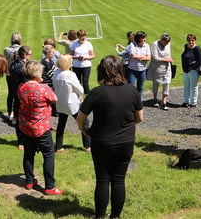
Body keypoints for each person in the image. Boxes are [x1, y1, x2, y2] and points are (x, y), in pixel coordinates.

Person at [77, 55, 143, 219]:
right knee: (119, 179)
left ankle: (99, 216)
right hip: (126, 141)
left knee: (103, 179)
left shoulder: (97, 92)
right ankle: (115, 215)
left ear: (101, 71)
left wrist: (85, 130)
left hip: (102, 142)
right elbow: (139, 118)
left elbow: (80, 118)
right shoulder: (132, 90)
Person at [17, 60, 63, 195]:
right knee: (48, 154)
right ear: (37, 74)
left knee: (28, 153)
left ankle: (30, 181)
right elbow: (55, 98)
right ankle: (50, 186)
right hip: (41, 128)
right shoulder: (43, 88)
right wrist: (42, 83)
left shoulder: (21, 87)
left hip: (25, 127)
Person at [53, 54, 91, 152]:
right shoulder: (70, 75)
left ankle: (58, 146)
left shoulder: (55, 73)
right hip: (72, 104)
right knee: (84, 122)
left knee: (61, 125)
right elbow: (81, 89)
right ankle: (88, 145)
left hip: (60, 103)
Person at [9, 45, 32, 147]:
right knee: (26, 118)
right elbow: (25, 82)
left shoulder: (13, 64)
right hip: (23, 95)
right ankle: (24, 140)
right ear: (26, 55)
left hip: (15, 94)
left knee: (18, 119)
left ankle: (21, 141)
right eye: (30, 54)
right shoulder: (23, 68)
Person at [148, 33, 173, 110]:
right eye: (165, 42)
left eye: (168, 43)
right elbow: (155, 57)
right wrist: (166, 59)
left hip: (166, 67)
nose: (166, 44)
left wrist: (170, 59)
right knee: (156, 83)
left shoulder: (168, 44)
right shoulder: (155, 44)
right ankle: (155, 99)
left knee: (167, 83)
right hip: (157, 68)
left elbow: (169, 53)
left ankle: (163, 102)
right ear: (162, 40)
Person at [124, 31, 151, 102]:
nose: (145, 40)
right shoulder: (132, 45)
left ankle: (139, 101)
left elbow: (149, 58)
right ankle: (129, 101)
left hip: (143, 70)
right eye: (143, 39)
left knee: (141, 87)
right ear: (139, 39)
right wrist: (143, 57)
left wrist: (140, 57)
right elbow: (133, 55)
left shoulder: (147, 45)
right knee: (131, 87)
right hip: (132, 70)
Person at [181, 33, 201, 108]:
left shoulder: (197, 48)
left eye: (192, 40)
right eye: (189, 40)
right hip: (185, 70)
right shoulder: (186, 47)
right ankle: (185, 101)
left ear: (195, 40)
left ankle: (193, 102)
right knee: (186, 86)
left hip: (193, 71)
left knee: (194, 87)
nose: (191, 42)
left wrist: (193, 67)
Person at [3, 31, 22, 122]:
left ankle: (10, 112)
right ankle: (16, 113)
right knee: (17, 93)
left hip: (9, 73)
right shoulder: (22, 49)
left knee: (10, 93)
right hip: (18, 73)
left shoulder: (6, 50)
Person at [71, 29, 95, 94]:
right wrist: (77, 57)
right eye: (81, 36)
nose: (83, 37)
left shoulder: (88, 44)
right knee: (77, 82)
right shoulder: (74, 44)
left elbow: (92, 55)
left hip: (86, 65)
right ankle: (79, 97)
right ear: (78, 37)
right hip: (76, 66)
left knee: (85, 82)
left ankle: (88, 97)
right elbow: (71, 55)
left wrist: (85, 58)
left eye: (84, 35)